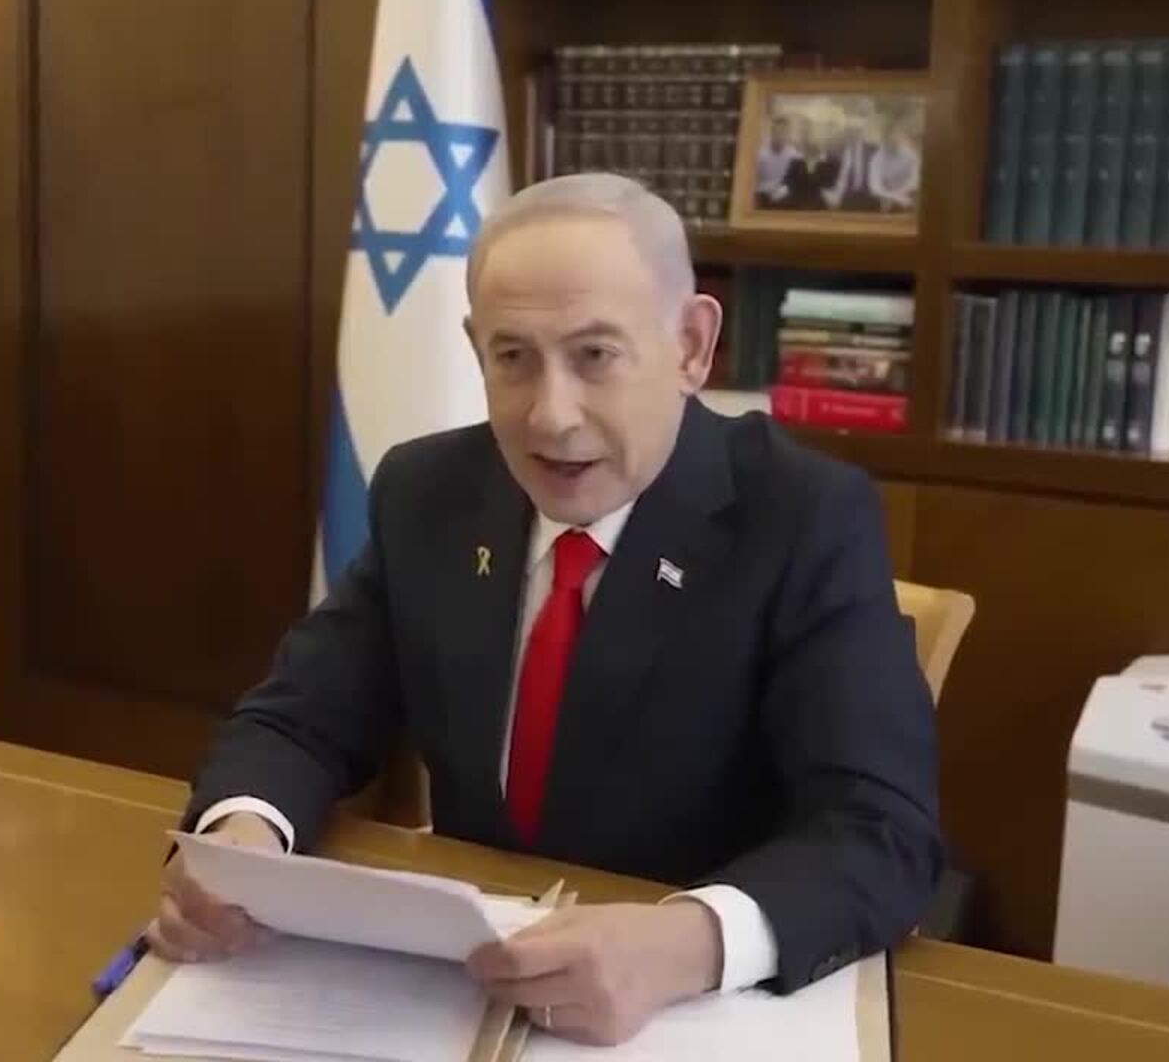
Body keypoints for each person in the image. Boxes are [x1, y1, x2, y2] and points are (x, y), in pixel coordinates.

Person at [151, 173, 942, 1047]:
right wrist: (242, 841)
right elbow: (300, 720)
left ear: (690, 345)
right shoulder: (429, 492)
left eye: (594, 356)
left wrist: (685, 943)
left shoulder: (804, 518)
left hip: (691, 1018)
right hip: (464, 991)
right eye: (513, 357)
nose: (550, 416)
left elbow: (881, 834)